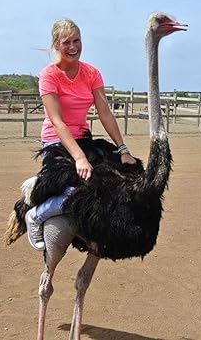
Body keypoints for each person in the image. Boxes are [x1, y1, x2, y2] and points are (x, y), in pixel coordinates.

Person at [25, 18, 137, 251]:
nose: (73, 46)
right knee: (77, 191)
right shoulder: (49, 75)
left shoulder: (91, 73)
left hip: (83, 138)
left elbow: (104, 112)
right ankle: (35, 215)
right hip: (56, 141)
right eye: (66, 42)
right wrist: (79, 158)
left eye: (77, 40)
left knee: (111, 181)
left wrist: (123, 149)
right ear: (56, 45)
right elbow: (57, 121)